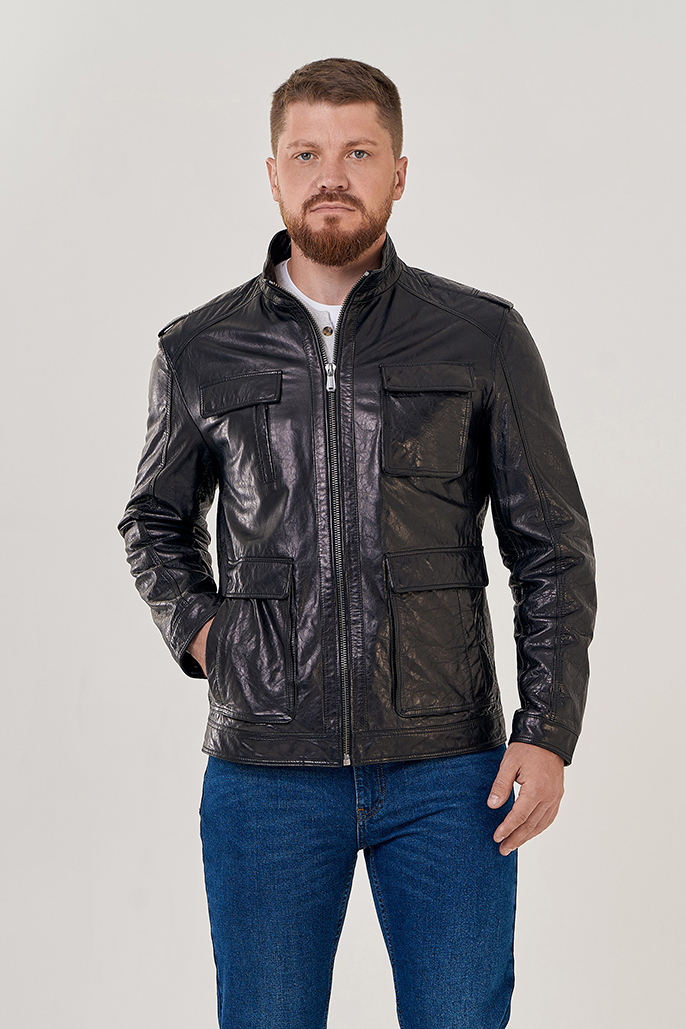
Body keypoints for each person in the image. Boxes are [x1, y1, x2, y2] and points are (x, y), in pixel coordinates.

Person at [118, 57, 596, 1029]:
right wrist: (210, 638)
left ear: (399, 173)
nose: (330, 175)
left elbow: (549, 545)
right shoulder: (198, 349)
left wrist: (546, 731)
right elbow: (153, 524)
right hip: (264, 771)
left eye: (358, 152)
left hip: (449, 772)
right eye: (306, 153)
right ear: (273, 173)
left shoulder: (480, 337)